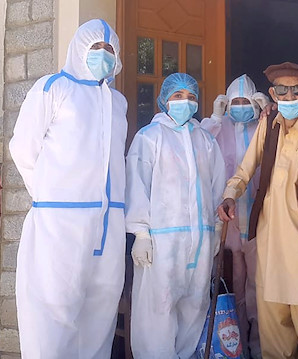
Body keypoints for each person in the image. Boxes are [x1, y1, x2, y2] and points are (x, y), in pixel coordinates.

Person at [9, 19, 127, 357]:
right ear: (78, 48)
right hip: (60, 220)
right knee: (53, 308)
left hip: (109, 222)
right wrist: (51, 197)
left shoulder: (117, 102)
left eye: (109, 50)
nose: (103, 55)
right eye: (95, 48)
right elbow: (23, 148)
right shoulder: (53, 87)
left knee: (100, 308)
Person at [218, 62, 298, 359]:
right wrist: (230, 195)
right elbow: (246, 168)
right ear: (273, 94)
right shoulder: (268, 123)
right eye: (282, 91)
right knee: (274, 331)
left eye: (296, 90)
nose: (289, 97)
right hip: (271, 239)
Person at [125, 72, 225, 358]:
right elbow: (137, 185)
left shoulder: (206, 141)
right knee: (158, 308)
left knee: (195, 305)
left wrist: (216, 228)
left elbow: (217, 185)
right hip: (161, 241)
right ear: (164, 101)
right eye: (178, 96)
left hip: (200, 240)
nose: (185, 102)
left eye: (191, 97)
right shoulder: (149, 137)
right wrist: (141, 233)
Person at [201, 74, 270, 359]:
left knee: (260, 287)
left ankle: (260, 347)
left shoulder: (263, 127)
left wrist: (269, 113)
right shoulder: (219, 128)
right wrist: (215, 118)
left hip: (258, 218)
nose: (240, 106)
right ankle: (234, 346)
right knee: (232, 283)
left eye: (246, 101)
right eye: (235, 102)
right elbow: (201, 146)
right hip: (228, 220)